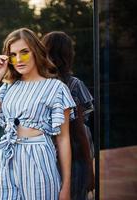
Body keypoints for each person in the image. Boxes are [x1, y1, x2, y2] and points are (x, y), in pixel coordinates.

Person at [0, 28, 76, 200]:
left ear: (36, 51)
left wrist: (66, 186)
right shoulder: (9, 86)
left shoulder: (56, 88)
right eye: (13, 55)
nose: (19, 59)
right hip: (9, 157)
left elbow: (63, 139)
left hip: (39, 158)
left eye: (24, 52)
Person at [42, 31, 95, 200]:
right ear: (68, 54)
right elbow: (79, 132)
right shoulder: (73, 85)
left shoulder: (38, 84)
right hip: (73, 155)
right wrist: (89, 170)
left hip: (46, 155)